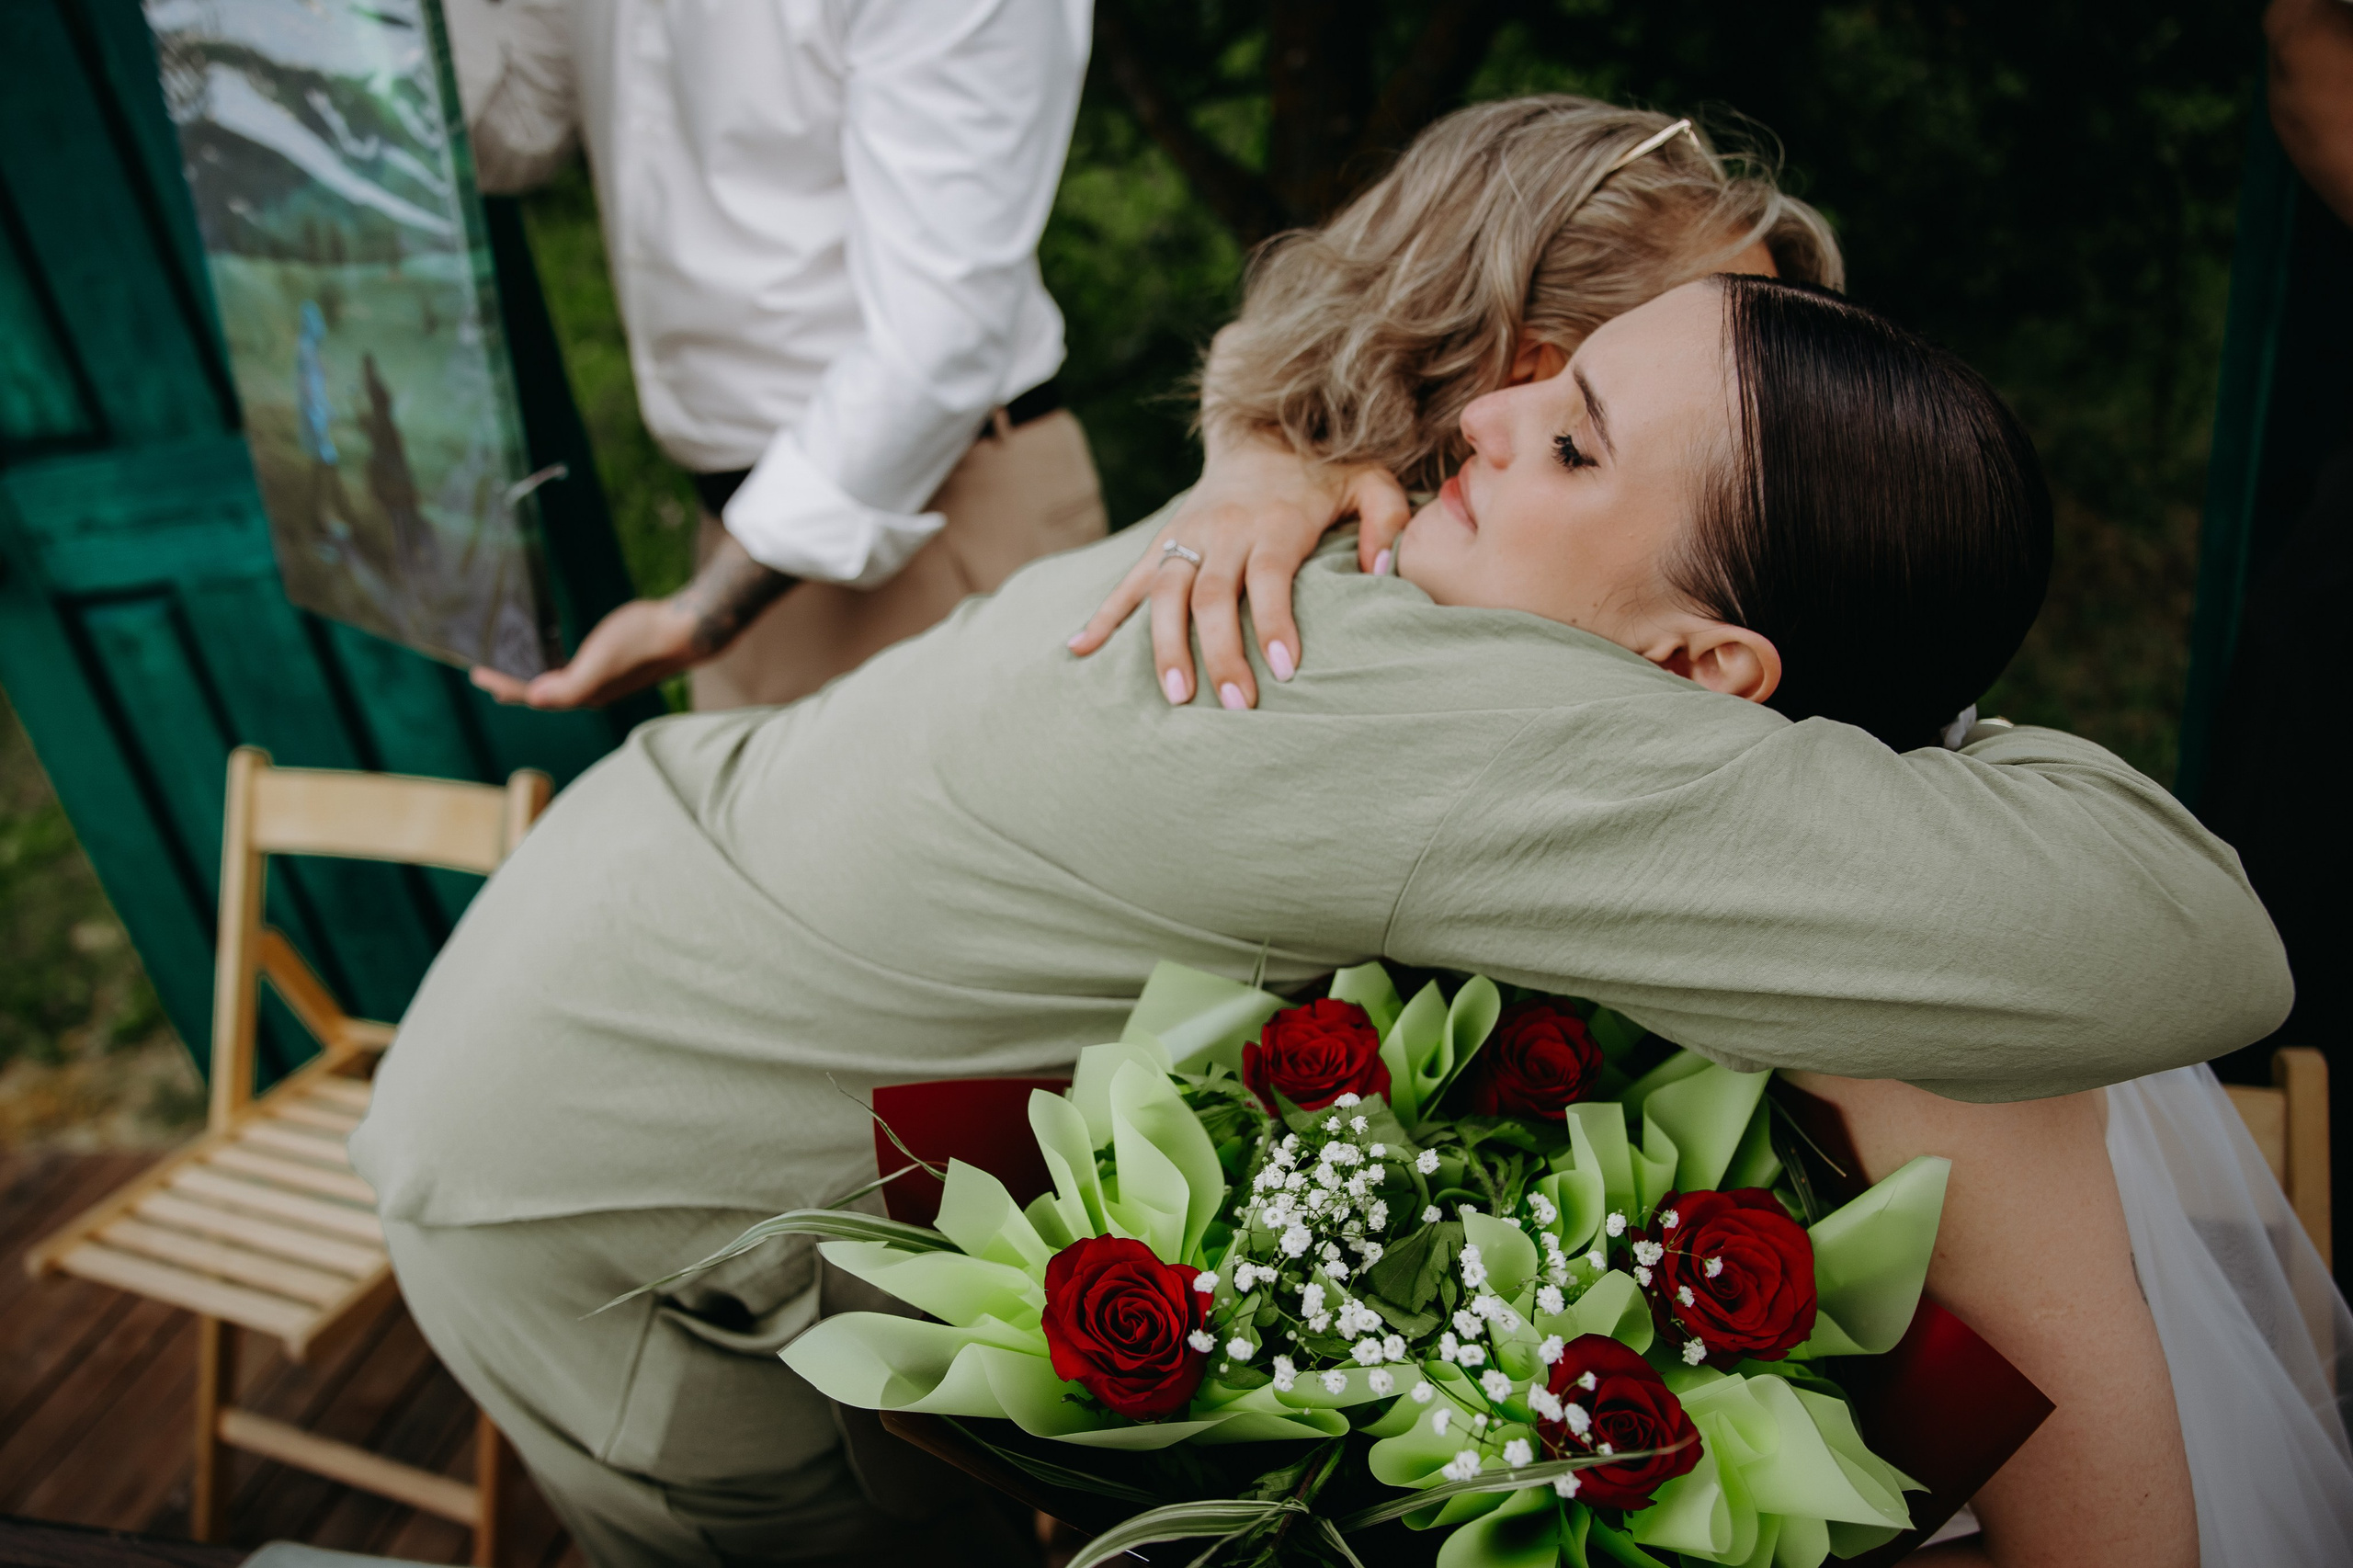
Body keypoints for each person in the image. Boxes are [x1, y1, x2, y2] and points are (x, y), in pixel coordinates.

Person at [351, 252, 2290, 1566]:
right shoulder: (1424, 697)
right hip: (575, 1185)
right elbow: (2209, 943)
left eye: (1570, 435)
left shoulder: (1334, 555)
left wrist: (1259, 448)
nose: (1480, 419)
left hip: (615, 904)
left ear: (1711, 663)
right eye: (1544, 374)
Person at [441, 0, 1108, 712]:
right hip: (737, 549)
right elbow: (515, 125)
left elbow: (943, 337)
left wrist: (695, 618)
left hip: (945, 518)